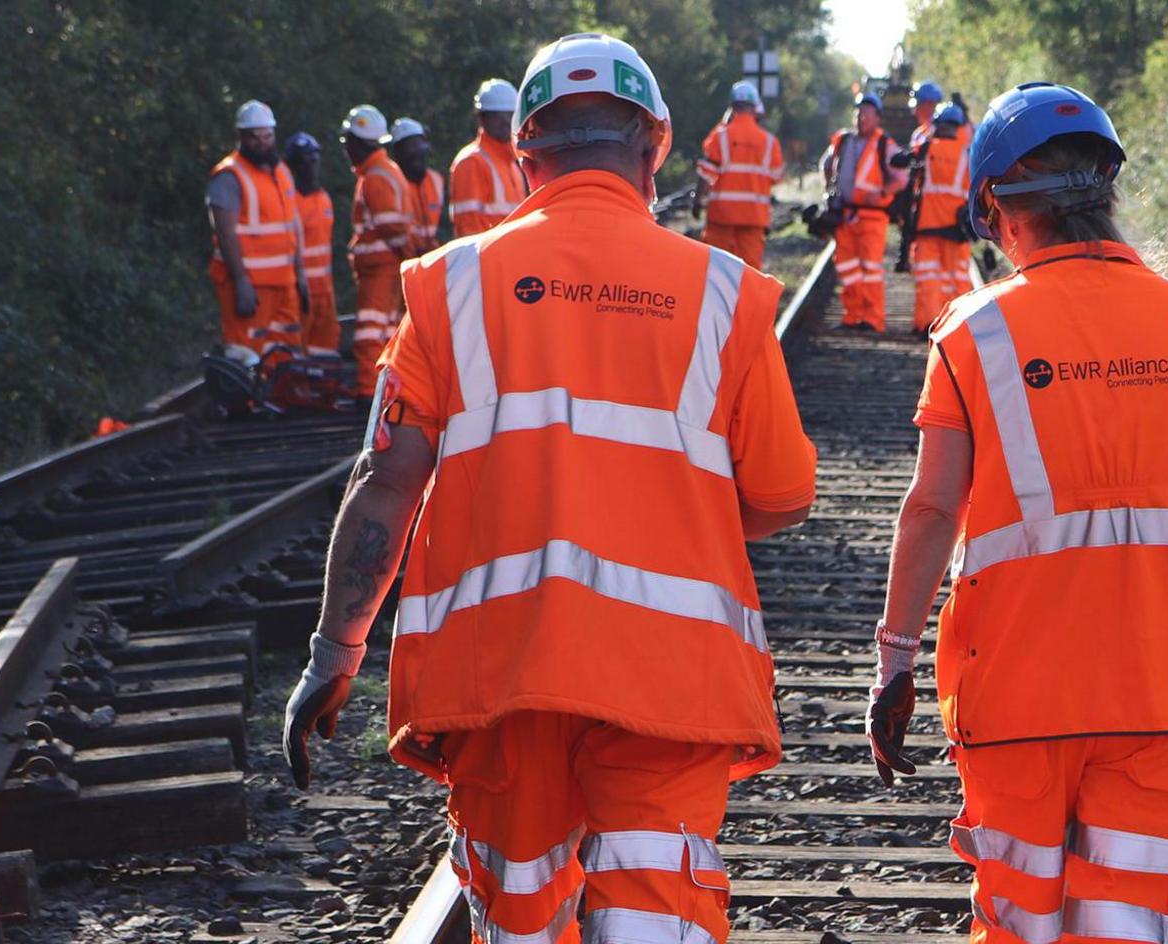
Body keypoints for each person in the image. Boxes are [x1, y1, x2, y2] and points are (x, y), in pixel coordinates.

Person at [283, 32, 818, 944]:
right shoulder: (724, 294)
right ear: (655, 146)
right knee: (658, 917)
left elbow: (384, 484)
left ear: (524, 155)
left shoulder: (449, 289)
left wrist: (334, 655)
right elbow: (779, 495)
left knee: (523, 917)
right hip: (671, 677)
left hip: (502, 677)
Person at [866, 82, 1168, 944]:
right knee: (1136, 925)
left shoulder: (972, 334)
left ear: (997, 209)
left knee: (1022, 923)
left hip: (1018, 697)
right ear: (1108, 195)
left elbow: (931, 509)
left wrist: (894, 660)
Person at [205, 100, 306, 365]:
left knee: (284, 352)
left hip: (283, 283)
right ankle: (244, 407)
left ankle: (281, 403)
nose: (262, 142)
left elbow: (291, 226)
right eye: (254, 137)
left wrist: (300, 275)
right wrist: (240, 280)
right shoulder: (229, 176)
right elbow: (225, 232)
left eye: (267, 136)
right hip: (251, 285)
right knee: (246, 354)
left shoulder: (281, 172)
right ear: (240, 137)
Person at [340, 104, 414, 399]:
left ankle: (370, 392)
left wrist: (406, 255)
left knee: (370, 333)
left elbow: (390, 226)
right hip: (386, 266)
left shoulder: (376, 177)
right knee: (386, 330)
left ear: (358, 143)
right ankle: (385, 391)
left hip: (380, 269)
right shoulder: (385, 171)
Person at [818, 93, 907, 331]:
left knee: (870, 269)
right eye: (858, 113)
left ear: (877, 118)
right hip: (845, 215)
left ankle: (873, 318)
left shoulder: (884, 145)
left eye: (866, 113)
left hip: (872, 217)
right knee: (848, 268)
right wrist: (829, 189)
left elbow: (901, 178)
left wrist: (882, 193)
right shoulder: (843, 140)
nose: (861, 118)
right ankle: (853, 315)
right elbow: (825, 164)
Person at [694, 81, 784, 269]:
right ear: (755, 108)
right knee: (749, 274)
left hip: (721, 219)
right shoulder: (769, 142)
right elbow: (776, 176)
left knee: (717, 273)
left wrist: (697, 201)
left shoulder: (720, 136)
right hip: (753, 219)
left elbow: (706, 175)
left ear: (731, 107)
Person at [908, 102, 974, 337]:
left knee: (928, 278)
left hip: (928, 226)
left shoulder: (926, 149)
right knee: (957, 279)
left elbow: (905, 167)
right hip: (958, 230)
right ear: (958, 127)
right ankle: (957, 327)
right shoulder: (968, 154)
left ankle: (928, 323)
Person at [449, 78, 530, 237]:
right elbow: (468, 230)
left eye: (510, 114)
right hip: (488, 260)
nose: (505, 120)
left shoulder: (514, 164)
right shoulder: (471, 162)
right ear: (481, 118)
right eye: (497, 115)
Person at [285, 132, 340, 358]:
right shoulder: (289, 202)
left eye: (314, 159)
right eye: (304, 161)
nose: (311, 166)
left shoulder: (324, 198)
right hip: (300, 291)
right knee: (298, 350)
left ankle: (324, 392)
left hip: (325, 293)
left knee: (325, 349)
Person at [390, 117, 445, 253]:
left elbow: (442, 228)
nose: (414, 152)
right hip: (401, 262)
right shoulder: (391, 184)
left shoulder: (436, 180)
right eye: (408, 147)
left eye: (417, 145)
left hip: (430, 261)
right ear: (397, 152)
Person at [907, 80, 944, 150]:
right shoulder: (918, 132)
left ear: (930, 104)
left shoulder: (941, 132)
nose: (914, 111)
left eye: (918, 105)